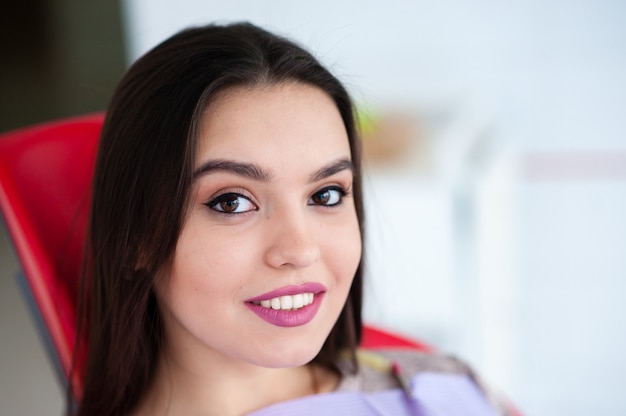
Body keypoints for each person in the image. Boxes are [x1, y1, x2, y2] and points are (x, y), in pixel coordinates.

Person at [71, 22, 514, 416]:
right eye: (232, 202)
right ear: (135, 237)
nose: (300, 249)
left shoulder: (445, 387)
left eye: (326, 194)